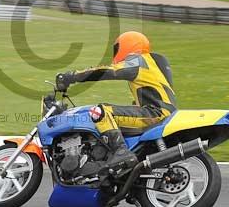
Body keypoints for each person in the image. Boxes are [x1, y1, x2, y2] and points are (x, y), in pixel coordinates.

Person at [55, 31, 177, 173]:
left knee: (100, 111)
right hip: (159, 112)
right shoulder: (151, 63)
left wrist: (72, 76)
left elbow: (108, 71)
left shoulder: (139, 60)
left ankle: (121, 152)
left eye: (117, 48)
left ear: (128, 45)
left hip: (154, 113)